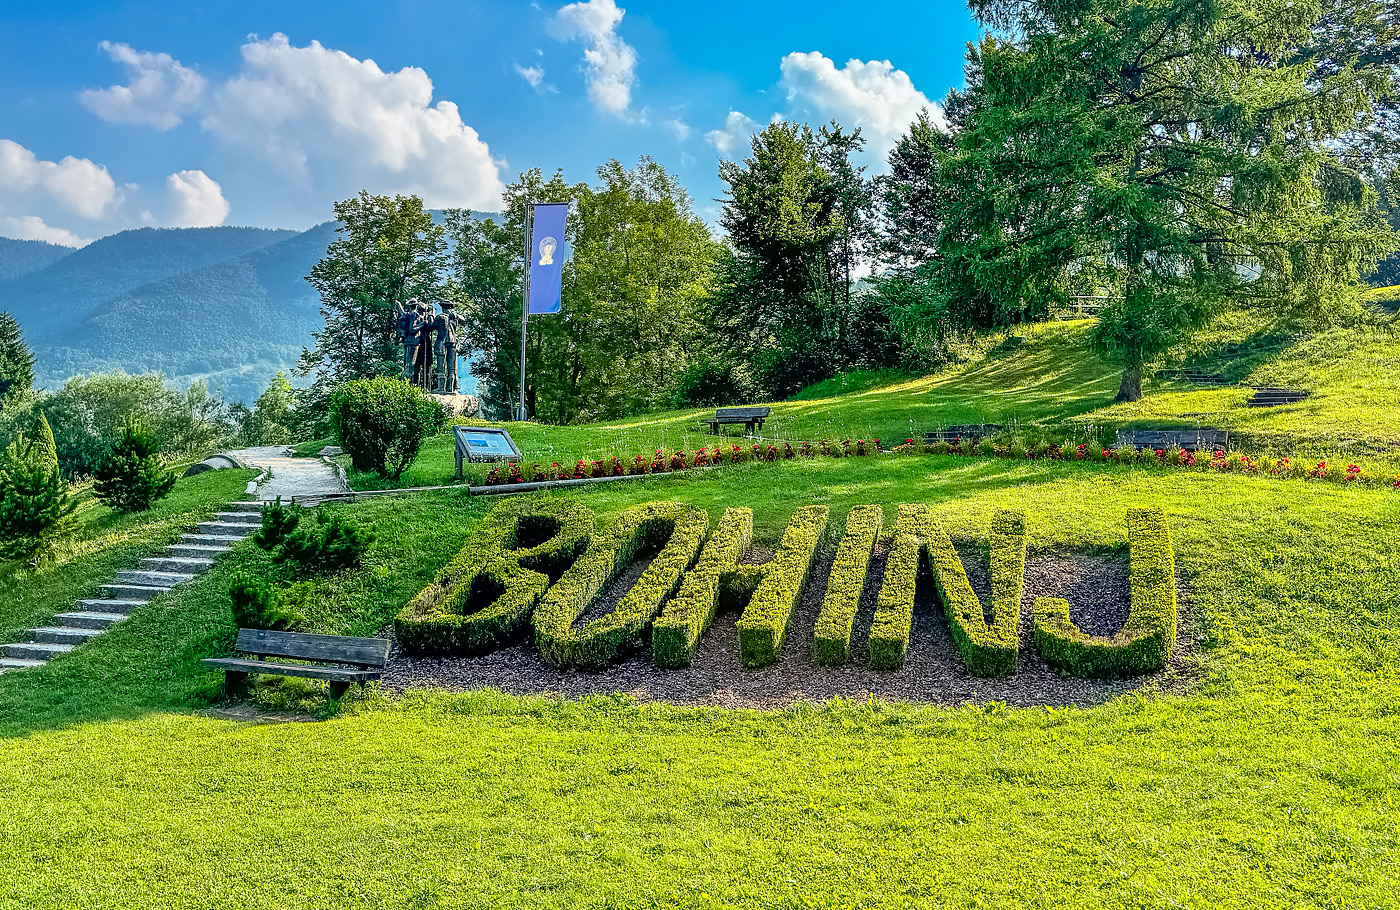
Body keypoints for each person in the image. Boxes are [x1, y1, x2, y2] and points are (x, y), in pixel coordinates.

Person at [434, 300, 464, 393]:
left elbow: (431, 326)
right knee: (451, 367)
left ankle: (441, 387)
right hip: (453, 342)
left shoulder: (440, 317)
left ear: (443, 307)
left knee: (441, 365)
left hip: (442, 341)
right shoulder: (455, 317)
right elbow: (462, 319)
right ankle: (451, 388)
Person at [395, 300, 423, 380]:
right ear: (416, 306)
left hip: (406, 341)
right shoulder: (415, 315)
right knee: (411, 364)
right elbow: (412, 329)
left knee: (406, 363)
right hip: (413, 341)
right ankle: (409, 381)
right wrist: (423, 323)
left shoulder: (406, 315)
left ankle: (405, 381)